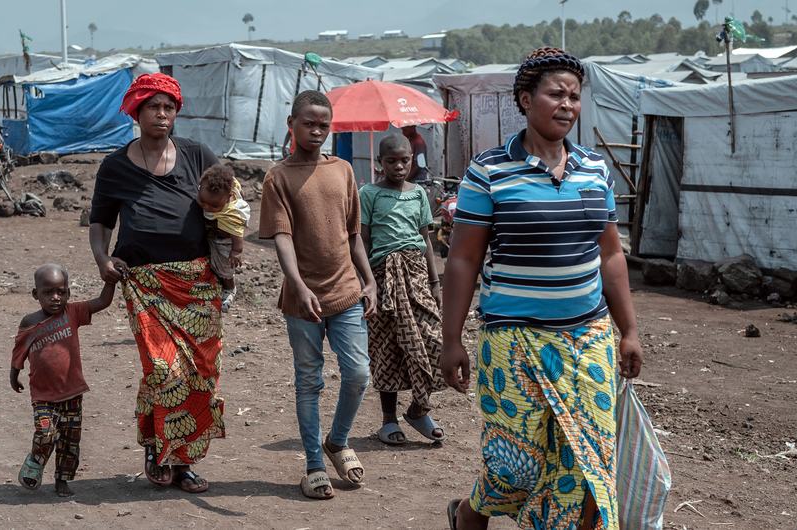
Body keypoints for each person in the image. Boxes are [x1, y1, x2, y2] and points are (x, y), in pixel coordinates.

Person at [440, 47, 643, 530]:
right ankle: (469, 515)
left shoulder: (594, 171)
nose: (568, 105)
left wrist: (628, 329)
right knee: (515, 464)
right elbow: (464, 259)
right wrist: (451, 341)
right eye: (556, 93)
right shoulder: (489, 171)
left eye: (575, 96)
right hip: (513, 343)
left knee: (588, 462)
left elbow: (611, 255)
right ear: (526, 99)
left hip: (586, 339)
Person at [88, 73, 224, 495]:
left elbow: (227, 198)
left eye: (169, 107)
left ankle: (178, 460)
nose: (162, 114)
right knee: (164, 370)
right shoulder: (114, 166)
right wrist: (101, 258)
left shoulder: (198, 155)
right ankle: (160, 448)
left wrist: (231, 240)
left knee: (200, 375)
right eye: (153, 107)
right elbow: (100, 223)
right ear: (137, 111)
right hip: (144, 284)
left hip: (198, 284)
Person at [259, 90, 378, 500]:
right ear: (291, 124)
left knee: (359, 373)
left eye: (324, 125)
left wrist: (370, 279)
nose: (317, 131)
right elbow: (282, 237)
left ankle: (338, 440)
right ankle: (313, 464)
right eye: (308, 123)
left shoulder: (343, 170)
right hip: (301, 299)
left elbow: (353, 235)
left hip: (345, 290)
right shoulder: (278, 177)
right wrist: (297, 284)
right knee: (309, 382)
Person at [359, 135, 446, 447]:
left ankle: (418, 409)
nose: (398, 166)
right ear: (379, 163)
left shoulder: (419, 193)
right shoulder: (368, 194)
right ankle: (388, 420)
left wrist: (435, 284)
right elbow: (363, 242)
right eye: (391, 160)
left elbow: (425, 241)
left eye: (404, 160)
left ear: (412, 160)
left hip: (417, 277)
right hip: (383, 278)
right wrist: (366, 282)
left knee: (434, 342)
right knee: (387, 349)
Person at [11, 264, 115, 497]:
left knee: (69, 442)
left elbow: (102, 302)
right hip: (44, 395)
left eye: (61, 291)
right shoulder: (30, 322)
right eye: (48, 292)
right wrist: (14, 373)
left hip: (72, 393)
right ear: (36, 294)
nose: (56, 298)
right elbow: (19, 350)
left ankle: (62, 481)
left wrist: (111, 281)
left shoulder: (73, 313)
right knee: (46, 433)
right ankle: (36, 459)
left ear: (68, 292)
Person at [196, 164, 250, 312]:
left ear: (228, 197)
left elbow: (237, 235)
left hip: (224, 241)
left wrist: (236, 252)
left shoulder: (233, 212)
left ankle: (229, 288)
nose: (206, 207)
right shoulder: (209, 190)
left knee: (225, 269)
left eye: (213, 206)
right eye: (202, 202)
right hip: (211, 233)